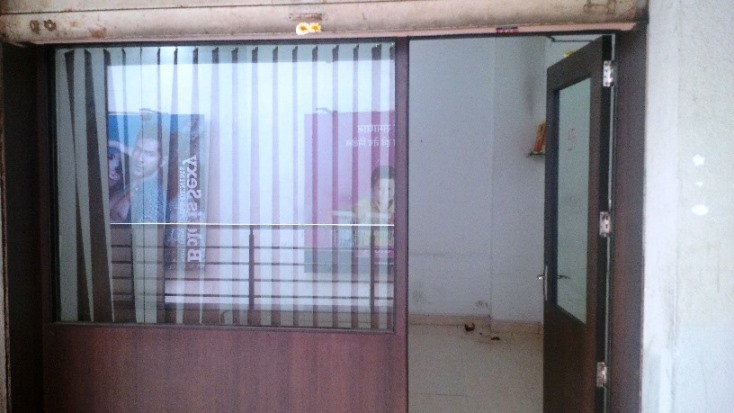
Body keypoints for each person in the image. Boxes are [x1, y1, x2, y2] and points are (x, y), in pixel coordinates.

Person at [109, 117, 167, 223]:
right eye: (138, 149)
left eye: (149, 154)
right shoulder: (133, 180)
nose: (139, 158)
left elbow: (147, 233)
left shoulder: (152, 197)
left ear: (163, 161)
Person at [352, 165, 395, 249]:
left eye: (389, 189)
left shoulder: (401, 210)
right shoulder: (360, 208)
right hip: (366, 253)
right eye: (380, 188)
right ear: (372, 188)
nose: (385, 193)